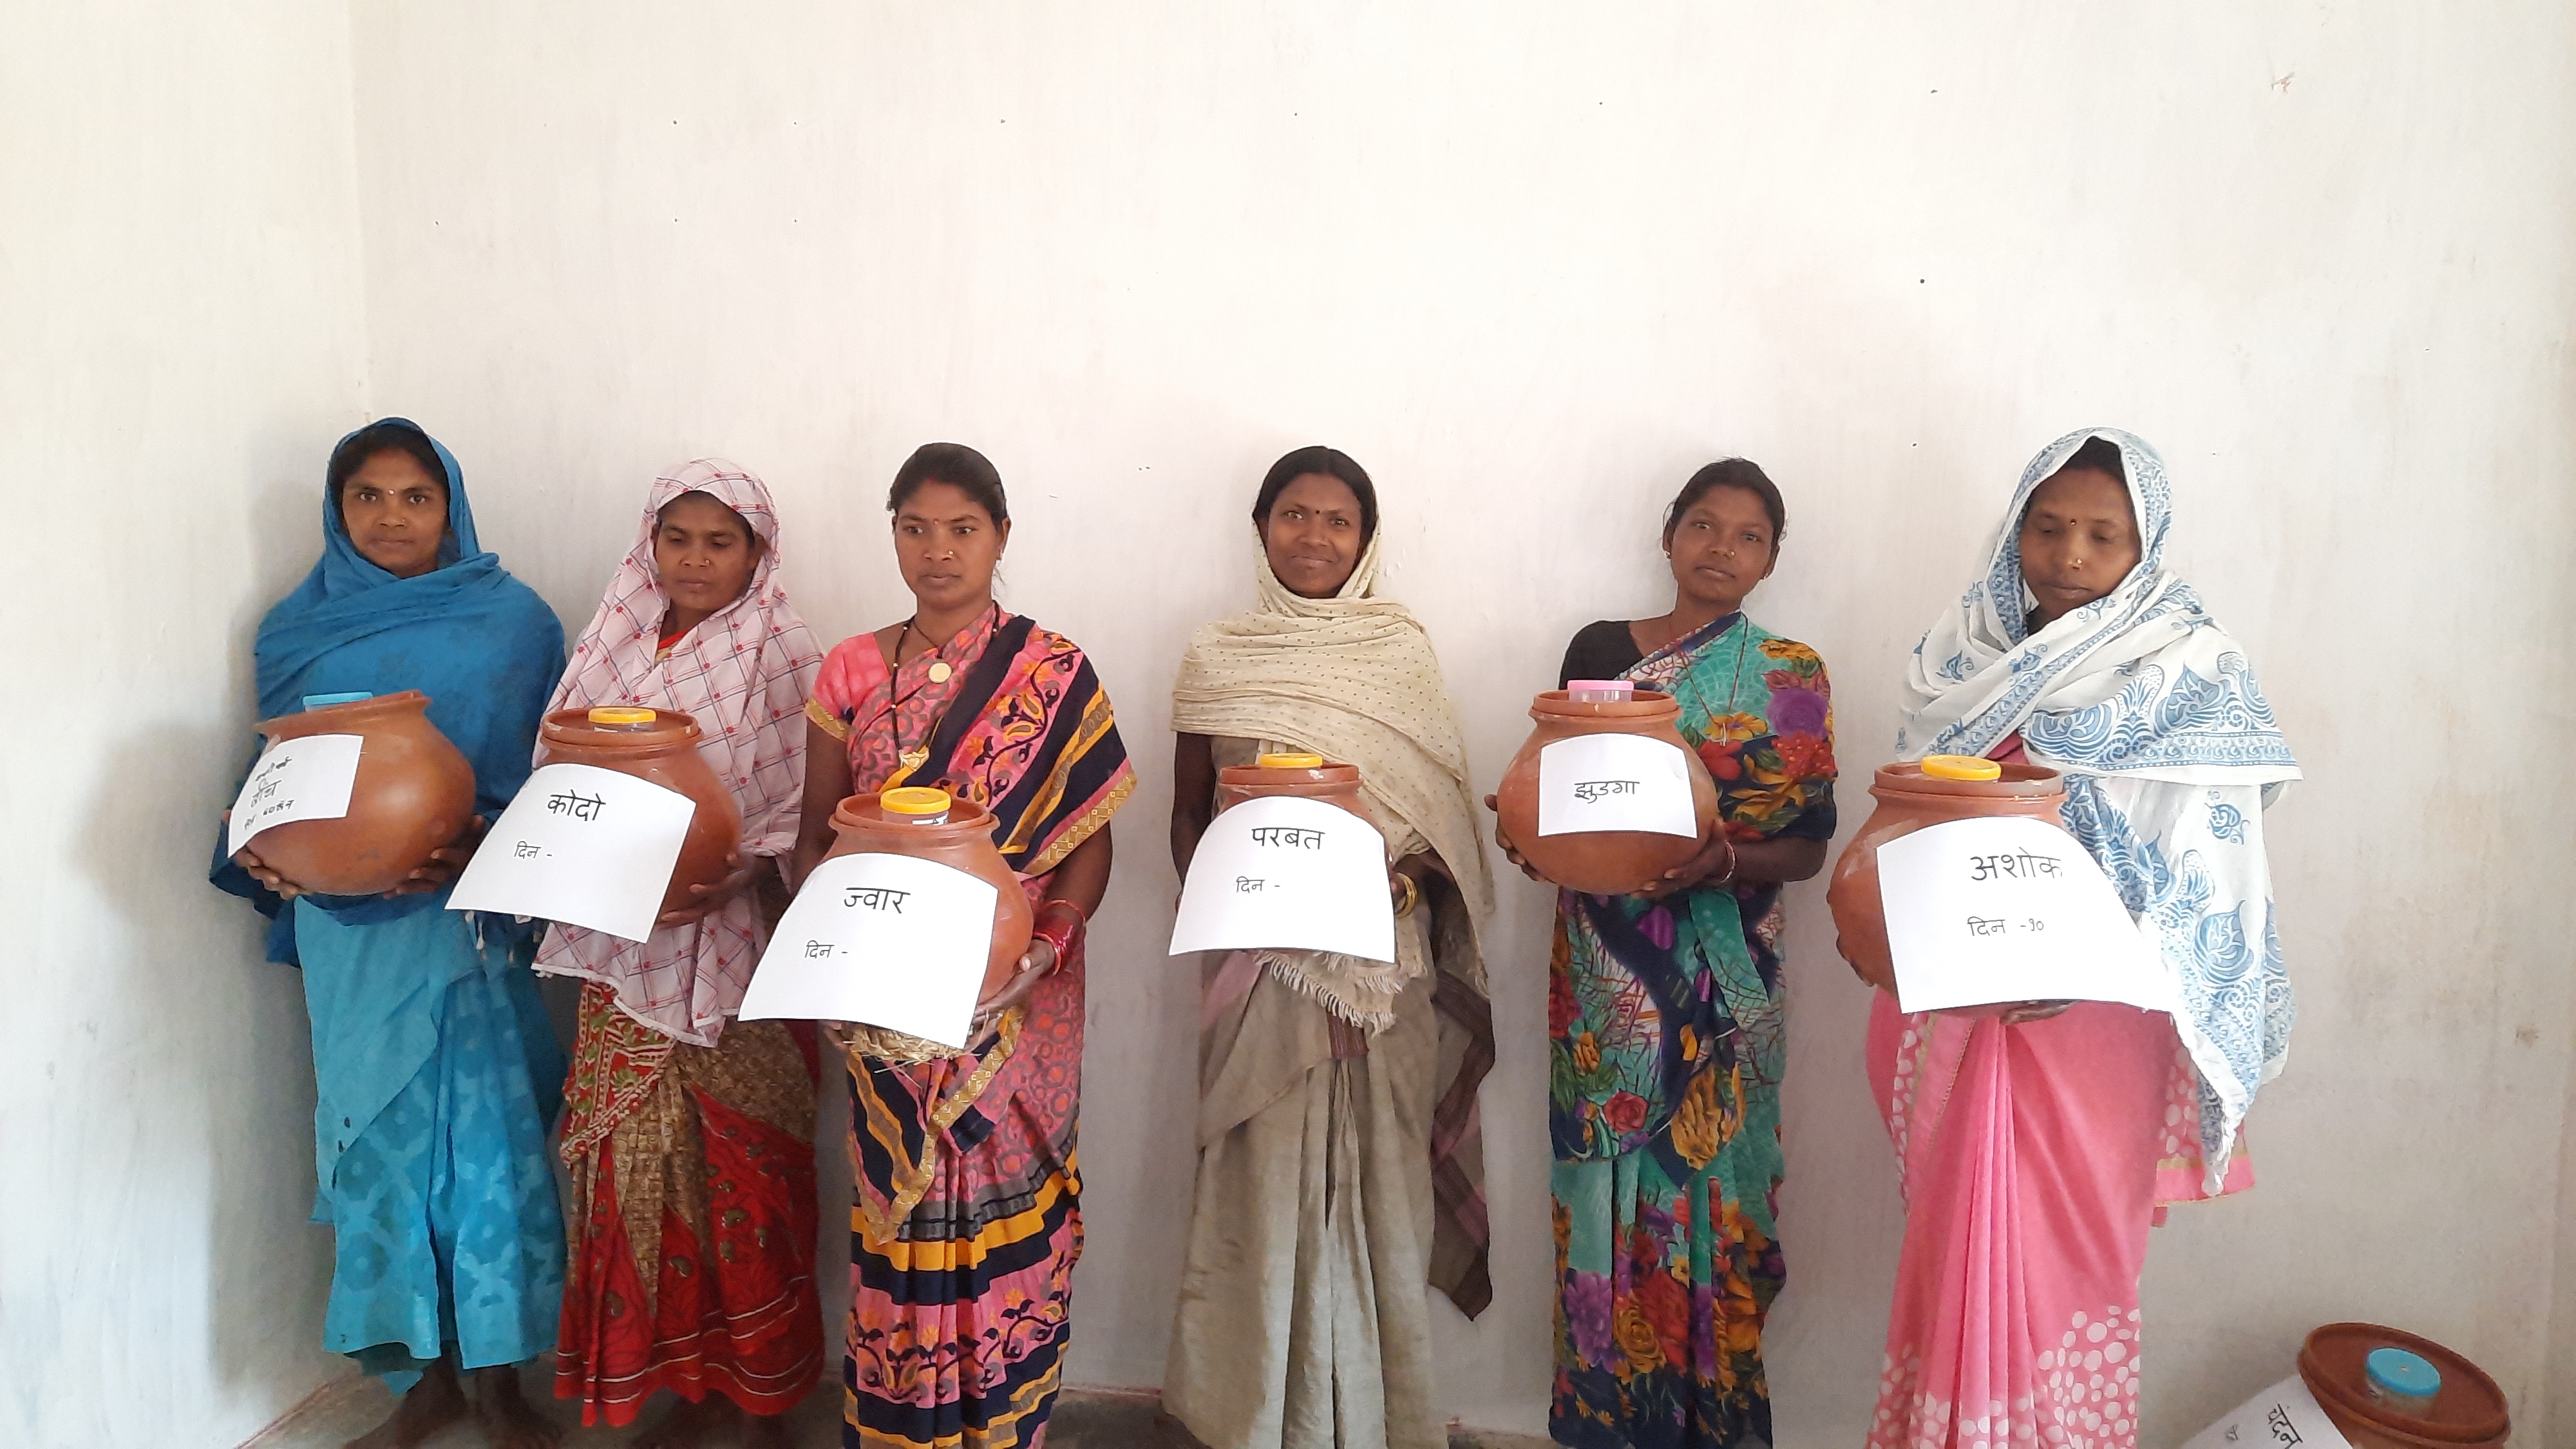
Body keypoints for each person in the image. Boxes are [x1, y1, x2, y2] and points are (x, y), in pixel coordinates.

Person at [1864, 429, 2298, 1449]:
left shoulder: (2193, 667)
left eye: (2103, 535)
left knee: (2072, 1254)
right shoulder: (1960, 655)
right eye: (2048, 527)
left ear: (2144, 548)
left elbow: (2209, 865)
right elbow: (1908, 819)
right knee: (1953, 1246)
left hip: (2097, 1017)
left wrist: (2073, 946)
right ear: (2016, 528)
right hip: (1959, 1003)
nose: (2069, 555)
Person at [212, 419, 569, 1449]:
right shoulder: (294, 631)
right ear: (337, 510)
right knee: (380, 1159)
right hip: (348, 943)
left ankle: (500, 1381)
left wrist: (476, 847)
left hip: (466, 932)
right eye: (368, 496)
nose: (392, 517)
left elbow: (551, 792)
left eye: (417, 496)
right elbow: (264, 788)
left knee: (491, 1156)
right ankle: (420, 1381)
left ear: (451, 504)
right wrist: (258, 853)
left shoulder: (514, 625)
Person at [790, 442, 1134, 1449]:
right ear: (892, 531)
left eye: (962, 528)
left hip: (1017, 991)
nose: (937, 551)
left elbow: (1088, 843)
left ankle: (1004, 1423)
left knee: (1002, 1199)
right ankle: (907, 1428)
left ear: (1001, 536)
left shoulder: (1055, 670)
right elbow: (816, 832)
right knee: (897, 1207)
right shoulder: (852, 666)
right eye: (915, 527)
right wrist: (834, 949)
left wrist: (1048, 950)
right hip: (885, 993)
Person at [1491, 459, 1837, 1449]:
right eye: (1703, 524)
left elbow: (1810, 845)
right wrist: (1527, 835)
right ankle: (1610, 1418)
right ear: (1668, 534)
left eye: (1748, 535)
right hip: (1606, 971)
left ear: (1772, 559)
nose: (1721, 547)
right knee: (1606, 1174)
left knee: (1717, 1183)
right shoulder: (1600, 649)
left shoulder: (1794, 674)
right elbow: (1554, 789)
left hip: (1731, 976)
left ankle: (1711, 1422)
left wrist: (1721, 859)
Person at [1164, 446, 1499, 1449]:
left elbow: (1445, 832)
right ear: (1262, 529)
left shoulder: (1402, 655)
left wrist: (1397, 882)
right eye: (1294, 515)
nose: (1314, 536)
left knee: (1381, 1184)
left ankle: (1374, 1419)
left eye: (1337, 519)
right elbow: (1187, 818)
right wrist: (1237, 905)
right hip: (1258, 967)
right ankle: (1251, 1413)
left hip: (1382, 972)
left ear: (1366, 538)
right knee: (1257, 1178)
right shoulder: (1219, 653)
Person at [538, 460, 828, 1447]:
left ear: (757, 551)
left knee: (751, 1175)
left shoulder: (785, 649)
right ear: (649, 546)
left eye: (720, 541)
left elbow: (805, 806)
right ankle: (686, 1386)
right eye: (678, 538)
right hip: (618, 954)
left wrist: (745, 872)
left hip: (738, 950)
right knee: (635, 1172)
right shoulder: (613, 639)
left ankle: (765, 1401)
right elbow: (559, 766)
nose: (695, 560)